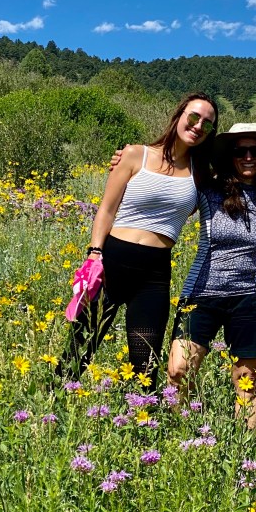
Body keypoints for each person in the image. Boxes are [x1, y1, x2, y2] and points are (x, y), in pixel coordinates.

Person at [58, 93, 219, 388]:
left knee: (145, 364)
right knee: (79, 350)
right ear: (179, 115)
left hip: (155, 274)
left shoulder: (201, 175)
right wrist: (94, 253)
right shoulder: (134, 155)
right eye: (194, 117)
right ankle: (52, 402)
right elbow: (107, 209)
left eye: (207, 124)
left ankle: (141, 415)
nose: (198, 126)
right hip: (112, 261)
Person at [167, 123, 256, 430]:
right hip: (201, 294)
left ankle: (243, 452)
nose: (248, 157)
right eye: (240, 151)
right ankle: (185, 437)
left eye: (255, 151)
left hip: (249, 298)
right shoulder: (209, 190)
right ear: (229, 156)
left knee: (247, 382)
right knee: (178, 371)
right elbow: (172, 188)